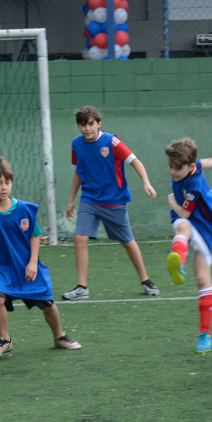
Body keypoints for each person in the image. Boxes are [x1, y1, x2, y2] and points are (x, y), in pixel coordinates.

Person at [0, 157, 82, 359]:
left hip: (25, 266)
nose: (3, 187)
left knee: (49, 305)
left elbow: (35, 234)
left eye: (7, 182)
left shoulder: (24, 210)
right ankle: (5, 340)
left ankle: (59, 336)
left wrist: (33, 262)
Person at [62, 105, 160, 300]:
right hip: (89, 199)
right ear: (78, 126)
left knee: (127, 241)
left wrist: (146, 182)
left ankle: (146, 280)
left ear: (99, 123)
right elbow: (78, 172)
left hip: (114, 201)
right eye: (83, 125)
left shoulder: (112, 141)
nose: (87, 128)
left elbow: (135, 161)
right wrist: (71, 200)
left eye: (91, 124)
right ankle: (82, 287)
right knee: (80, 238)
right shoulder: (76, 144)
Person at [164, 138, 212, 353]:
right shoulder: (192, 165)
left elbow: (184, 211)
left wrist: (172, 200)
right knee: (182, 227)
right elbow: (208, 161)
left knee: (203, 280)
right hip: (189, 224)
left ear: (190, 167)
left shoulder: (192, 184)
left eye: (176, 168)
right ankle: (179, 260)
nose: (172, 172)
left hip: (205, 229)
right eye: (170, 166)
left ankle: (205, 334)